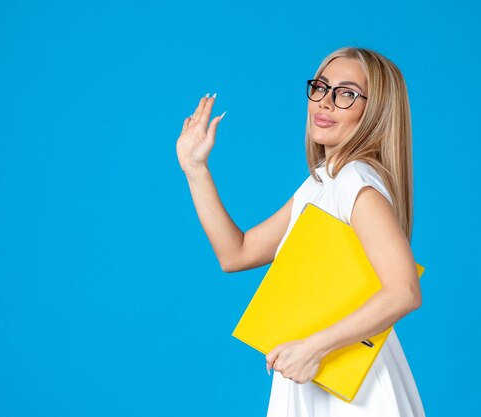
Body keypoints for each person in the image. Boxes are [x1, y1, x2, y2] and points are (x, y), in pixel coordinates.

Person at [176, 46, 425, 417]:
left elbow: (404, 291)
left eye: (346, 93)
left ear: (374, 111)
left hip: (349, 387)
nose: (325, 102)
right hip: (317, 371)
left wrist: (313, 348)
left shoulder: (356, 182)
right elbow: (237, 253)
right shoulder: (323, 183)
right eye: (321, 87)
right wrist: (196, 169)